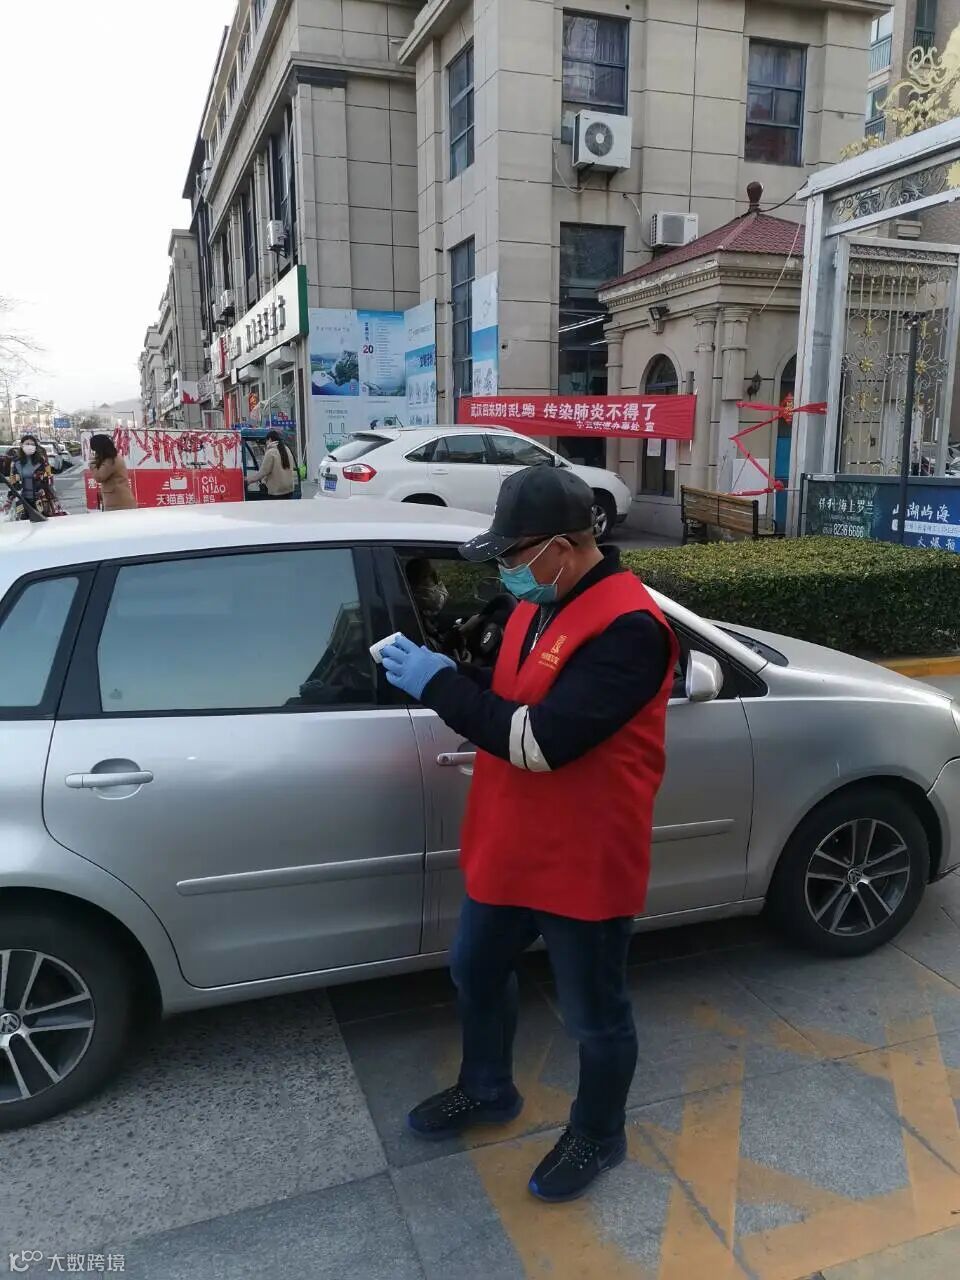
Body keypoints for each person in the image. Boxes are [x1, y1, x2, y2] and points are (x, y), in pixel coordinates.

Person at [380, 467, 677, 1203]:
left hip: (584, 858)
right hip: (512, 842)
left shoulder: (631, 630)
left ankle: (599, 1134)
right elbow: (511, 695)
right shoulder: (537, 604)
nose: (506, 571)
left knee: (595, 1016)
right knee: (475, 970)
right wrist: (456, 673)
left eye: (513, 556)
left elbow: (539, 741)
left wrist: (438, 685)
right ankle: (487, 1088)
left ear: (563, 547)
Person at [8, 435, 58, 517]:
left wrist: (54, 498)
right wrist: (9, 498)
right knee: (22, 521)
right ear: (21, 445)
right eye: (27, 443)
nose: (30, 446)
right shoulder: (15, 461)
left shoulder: (42, 460)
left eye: (32, 444)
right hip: (21, 498)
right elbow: (12, 480)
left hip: (40, 497)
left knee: (42, 520)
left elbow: (49, 478)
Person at [88, 434, 137, 511]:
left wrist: (92, 464)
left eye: (96, 450)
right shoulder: (113, 457)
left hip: (118, 504)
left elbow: (99, 477)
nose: (95, 453)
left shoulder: (111, 460)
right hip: (119, 501)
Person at [247, 430, 296, 499]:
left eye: (266, 441)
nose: (266, 443)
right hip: (289, 489)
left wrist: (249, 480)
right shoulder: (287, 449)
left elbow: (263, 472)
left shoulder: (271, 452)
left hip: (277, 492)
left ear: (270, 439)